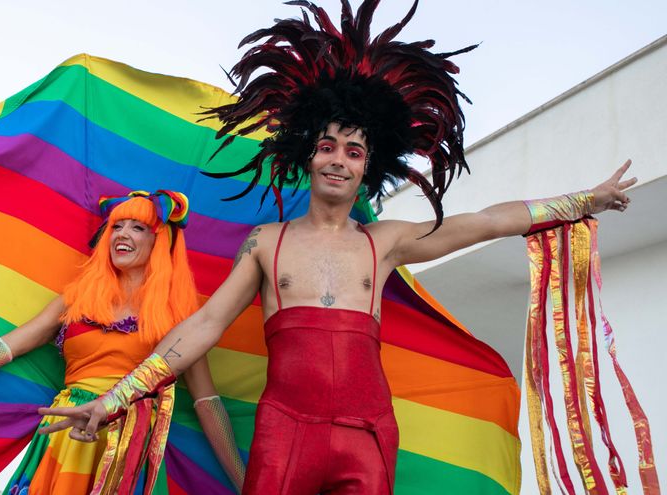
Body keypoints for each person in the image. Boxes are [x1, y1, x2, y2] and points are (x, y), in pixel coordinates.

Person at [36, 2, 637, 494]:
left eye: (354, 152)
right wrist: (119, 397)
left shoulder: (387, 242)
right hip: (284, 433)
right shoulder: (266, 243)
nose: (339, 160)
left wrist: (583, 200)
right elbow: (203, 326)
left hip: (369, 433)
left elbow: (485, 221)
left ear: (367, 168)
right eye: (329, 146)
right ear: (309, 155)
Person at [0, 190, 246, 494]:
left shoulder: (182, 320)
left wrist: (247, 483)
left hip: (126, 447)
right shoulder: (75, 299)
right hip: (64, 437)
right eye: (116, 226)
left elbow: (207, 405)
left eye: (138, 228)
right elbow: (2, 348)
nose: (122, 235)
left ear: (159, 242)